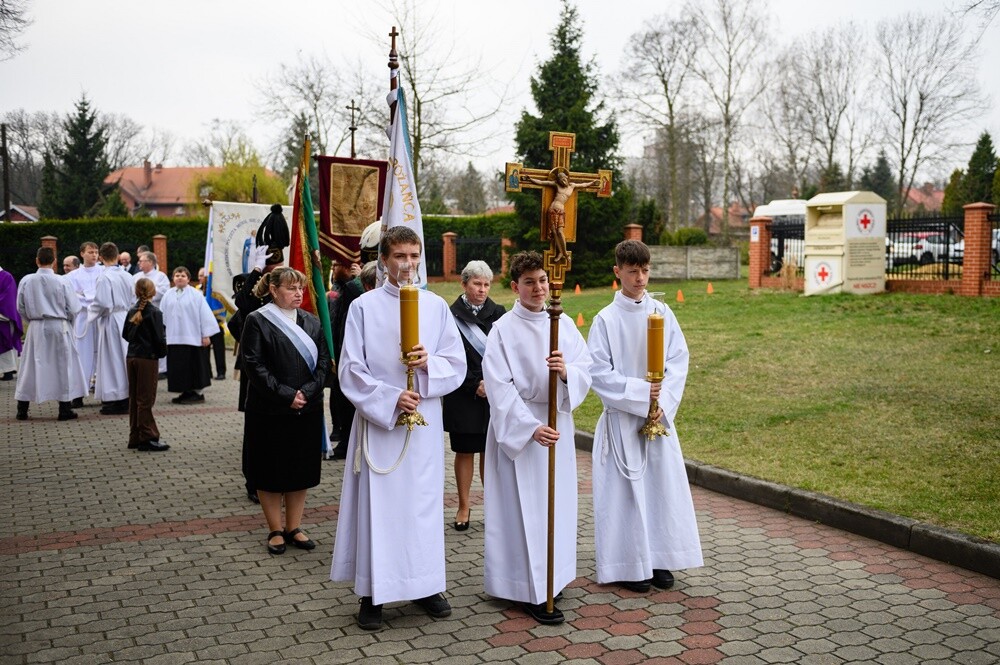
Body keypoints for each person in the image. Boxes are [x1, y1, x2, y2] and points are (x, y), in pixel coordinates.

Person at [330, 226, 466, 631]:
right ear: (384, 261)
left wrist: (428, 367)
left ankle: (425, 586)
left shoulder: (435, 306)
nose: (408, 264)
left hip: (423, 424)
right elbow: (350, 369)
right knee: (381, 510)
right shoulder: (364, 308)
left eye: (413, 256)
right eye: (399, 256)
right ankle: (373, 594)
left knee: (422, 507)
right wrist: (391, 398)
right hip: (381, 422)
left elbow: (455, 364)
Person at [481, 250, 593, 625]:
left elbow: (585, 368)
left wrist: (566, 374)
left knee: (555, 507)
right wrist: (529, 428)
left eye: (543, 280)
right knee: (521, 510)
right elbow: (498, 386)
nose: (538, 288)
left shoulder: (561, 323)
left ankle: (552, 578)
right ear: (515, 287)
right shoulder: (502, 330)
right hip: (521, 431)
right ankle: (524, 586)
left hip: (555, 424)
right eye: (529, 282)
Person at [587, 240, 703, 592]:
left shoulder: (663, 313)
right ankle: (627, 564)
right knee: (623, 495)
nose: (640, 279)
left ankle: (658, 560)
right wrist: (641, 392)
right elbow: (597, 372)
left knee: (658, 489)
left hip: (657, 419)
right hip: (623, 421)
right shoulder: (605, 319)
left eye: (645, 271)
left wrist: (661, 403)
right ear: (617, 272)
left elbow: (678, 360)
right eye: (633, 271)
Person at [240, 267, 328, 555]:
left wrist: (308, 392)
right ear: (274, 290)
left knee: (299, 468)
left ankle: (294, 526)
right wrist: (286, 395)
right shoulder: (257, 320)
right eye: (291, 288)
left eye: (300, 288)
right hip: (269, 409)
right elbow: (254, 364)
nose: (298, 293)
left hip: (307, 408)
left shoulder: (312, 322)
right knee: (270, 468)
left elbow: (324, 363)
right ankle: (275, 529)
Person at [443, 260, 505, 531]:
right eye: (476, 284)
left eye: (486, 284)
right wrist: (474, 384)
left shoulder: (499, 312)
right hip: (463, 393)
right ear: (464, 284)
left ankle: (492, 507)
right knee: (465, 450)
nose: (482, 289)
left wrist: (490, 382)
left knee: (489, 452)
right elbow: (448, 354)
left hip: (493, 393)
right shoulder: (449, 315)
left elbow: (504, 351)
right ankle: (464, 505)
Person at [14, 247, 88, 421]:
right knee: (62, 366)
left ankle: (22, 409)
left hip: (36, 328)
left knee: (30, 366)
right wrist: (67, 321)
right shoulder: (62, 281)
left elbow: (20, 307)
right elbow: (73, 307)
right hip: (59, 327)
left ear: (37, 260)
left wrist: (33, 320)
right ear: (54, 261)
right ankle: (64, 409)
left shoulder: (27, 280)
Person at [87, 242, 135, 415]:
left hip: (111, 321)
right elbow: (134, 300)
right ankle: (127, 396)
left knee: (111, 360)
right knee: (123, 357)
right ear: (117, 256)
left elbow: (103, 304)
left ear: (100, 257)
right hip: (126, 318)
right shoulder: (128, 276)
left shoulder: (104, 277)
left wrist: (88, 314)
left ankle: (116, 399)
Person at [122, 278, 169, 452]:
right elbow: (159, 337)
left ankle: (134, 435)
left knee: (134, 398)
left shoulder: (131, 310)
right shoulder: (154, 312)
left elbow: (126, 334)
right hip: (147, 359)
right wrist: (162, 352)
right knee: (146, 399)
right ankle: (147, 437)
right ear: (153, 292)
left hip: (132, 357)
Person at [160, 266, 217, 404]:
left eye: (183, 276)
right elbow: (161, 315)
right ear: (172, 279)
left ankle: (197, 393)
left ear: (188, 279)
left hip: (193, 337)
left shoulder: (196, 295)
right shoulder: (168, 294)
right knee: (179, 367)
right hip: (174, 337)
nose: (180, 277)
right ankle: (185, 392)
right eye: (177, 275)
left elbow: (205, 315)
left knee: (194, 365)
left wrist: (206, 335)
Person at [326, 257, 364, 460]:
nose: (333, 269)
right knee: (337, 394)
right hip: (337, 348)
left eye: (337, 265)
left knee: (348, 400)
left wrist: (357, 281)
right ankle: (339, 431)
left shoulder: (354, 287)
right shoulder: (335, 288)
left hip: (348, 351)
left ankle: (347, 440)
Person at [523, 169, 598, 264]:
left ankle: (565, 253)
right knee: (554, 232)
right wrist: (530, 179)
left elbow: (584, 185)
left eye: (563, 179)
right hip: (552, 210)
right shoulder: (556, 185)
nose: (562, 181)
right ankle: (561, 253)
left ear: (566, 178)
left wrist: (593, 182)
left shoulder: (572, 186)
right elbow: (542, 182)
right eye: (560, 180)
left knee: (560, 231)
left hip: (560, 211)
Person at [65, 241, 103, 397]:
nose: (94, 255)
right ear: (82, 253)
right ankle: (79, 391)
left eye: (96, 252)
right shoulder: (73, 275)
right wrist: (91, 299)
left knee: (102, 352)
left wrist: (86, 296)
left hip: (100, 318)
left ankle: (101, 389)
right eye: (90, 252)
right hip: (82, 318)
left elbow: (103, 295)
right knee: (82, 353)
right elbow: (72, 297)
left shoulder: (103, 272)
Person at [133, 251, 171, 377]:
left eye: (142, 261)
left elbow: (163, 292)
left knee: (157, 338)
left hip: (155, 313)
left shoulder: (160, 276)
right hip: (139, 313)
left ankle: (161, 368)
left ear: (150, 262)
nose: (139, 263)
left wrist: (146, 293)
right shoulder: (136, 276)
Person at [197, 267, 228, 380]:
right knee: (204, 350)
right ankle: (207, 372)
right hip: (202, 324)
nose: (201, 278)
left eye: (203, 275)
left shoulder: (216, 292)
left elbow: (221, 304)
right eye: (199, 276)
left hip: (216, 323)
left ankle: (221, 372)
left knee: (219, 349)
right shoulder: (196, 290)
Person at [0, 263, 23, 381]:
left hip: (3, 316)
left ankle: (8, 372)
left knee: (5, 343)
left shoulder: (6, 276)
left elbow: (8, 297)